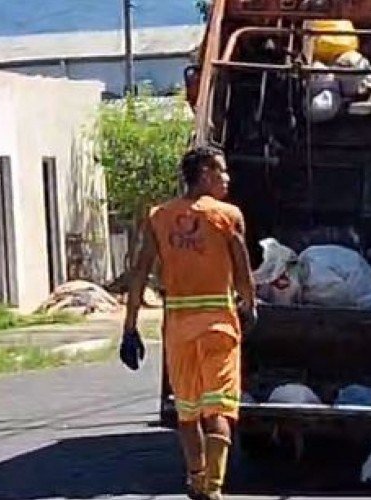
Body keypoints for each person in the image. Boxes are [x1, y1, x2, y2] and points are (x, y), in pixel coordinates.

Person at [120, 146, 257, 500]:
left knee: (187, 413)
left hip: (179, 328)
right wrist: (250, 305)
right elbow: (242, 273)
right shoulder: (228, 216)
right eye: (222, 171)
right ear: (206, 174)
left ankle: (195, 479)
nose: (227, 178)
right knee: (221, 408)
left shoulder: (158, 217)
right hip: (219, 326)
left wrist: (130, 327)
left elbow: (139, 273)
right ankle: (213, 486)